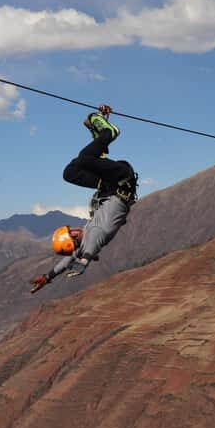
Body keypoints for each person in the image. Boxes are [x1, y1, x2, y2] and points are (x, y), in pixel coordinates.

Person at [30, 105, 138, 293]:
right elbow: (94, 244)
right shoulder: (93, 235)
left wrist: (48, 277)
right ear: (73, 239)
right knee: (84, 158)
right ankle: (108, 132)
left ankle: (100, 138)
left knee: (70, 173)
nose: (73, 229)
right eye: (71, 232)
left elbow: (67, 260)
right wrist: (84, 262)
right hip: (121, 180)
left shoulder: (82, 240)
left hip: (108, 185)